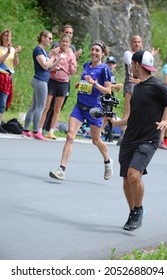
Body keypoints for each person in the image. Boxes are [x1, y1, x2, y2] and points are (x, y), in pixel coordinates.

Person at [108, 50, 167, 231]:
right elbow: (132, 117)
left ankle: (138, 209)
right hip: (129, 139)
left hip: (148, 140)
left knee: (133, 175)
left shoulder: (158, 86)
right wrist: (116, 123)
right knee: (126, 180)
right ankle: (132, 212)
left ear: (138, 65)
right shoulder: (137, 88)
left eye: (132, 65)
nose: (130, 68)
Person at [49, 40, 113, 181]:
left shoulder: (104, 69)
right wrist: (81, 84)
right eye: (93, 49)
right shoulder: (86, 65)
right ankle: (61, 170)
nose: (94, 52)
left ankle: (108, 161)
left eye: (97, 50)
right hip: (80, 106)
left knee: (96, 140)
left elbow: (108, 90)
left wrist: (94, 83)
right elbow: (85, 83)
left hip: (94, 109)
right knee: (70, 136)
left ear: (102, 54)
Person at [22, 30, 65, 140]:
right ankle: (36, 131)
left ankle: (26, 130)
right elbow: (45, 66)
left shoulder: (43, 51)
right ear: (43, 38)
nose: (51, 41)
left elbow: (50, 67)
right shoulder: (38, 50)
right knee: (41, 106)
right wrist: (53, 56)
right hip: (40, 80)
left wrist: (58, 59)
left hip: (42, 80)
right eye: (49, 38)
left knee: (34, 106)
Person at [43, 24, 82, 131]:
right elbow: (51, 62)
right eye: (66, 32)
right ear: (62, 33)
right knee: (48, 105)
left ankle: (50, 128)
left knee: (58, 106)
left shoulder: (72, 49)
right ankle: (42, 126)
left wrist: (73, 59)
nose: (68, 34)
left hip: (65, 81)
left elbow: (72, 68)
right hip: (53, 79)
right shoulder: (56, 45)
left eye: (70, 33)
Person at [39, 34, 77, 139]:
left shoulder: (71, 55)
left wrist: (70, 64)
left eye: (67, 42)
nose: (64, 44)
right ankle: (40, 129)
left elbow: (73, 72)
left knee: (57, 108)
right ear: (60, 42)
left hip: (64, 82)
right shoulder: (55, 51)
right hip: (52, 80)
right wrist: (58, 64)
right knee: (46, 106)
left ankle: (51, 131)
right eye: (63, 41)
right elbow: (49, 67)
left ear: (69, 44)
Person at [0, 29, 21, 133]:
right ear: (2, 37)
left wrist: (15, 54)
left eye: (10, 36)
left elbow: (15, 64)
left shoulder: (12, 49)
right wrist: (7, 52)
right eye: (6, 36)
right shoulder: (1, 49)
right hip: (0, 75)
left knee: (3, 102)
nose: (8, 38)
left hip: (7, 77)